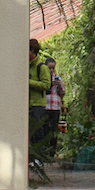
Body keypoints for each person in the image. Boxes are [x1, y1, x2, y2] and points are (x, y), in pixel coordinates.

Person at [28, 39, 52, 170]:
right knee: (30, 131)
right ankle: (32, 159)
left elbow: (46, 85)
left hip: (38, 104)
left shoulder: (41, 67)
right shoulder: (28, 66)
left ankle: (40, 158)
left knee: (37, 131)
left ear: (33, 51)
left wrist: (29, 82)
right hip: (29, 104)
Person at [43, 56, 65, 159]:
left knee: (53, 129)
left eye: (53, 68)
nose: (51, 70)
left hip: (55, 107)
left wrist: (59, 85)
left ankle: (52, 152)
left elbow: (62, 93)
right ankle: (44, 151)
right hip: (46, 106)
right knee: (45, 129)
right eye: (49, 68)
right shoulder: (44, 78)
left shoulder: (58, 78)